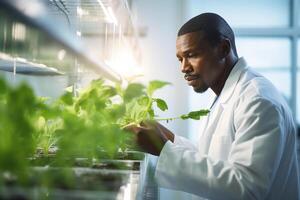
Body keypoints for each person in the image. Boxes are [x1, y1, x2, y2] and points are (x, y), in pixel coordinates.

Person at [129, 13, 300, 199]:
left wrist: (163, 149)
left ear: (223, 49)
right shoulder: (230, 93)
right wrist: (167, 138)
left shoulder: (258, 99)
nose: (184, 67)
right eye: (180, 59)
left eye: (191, 55)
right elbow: (214, 158)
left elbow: (247, 187)